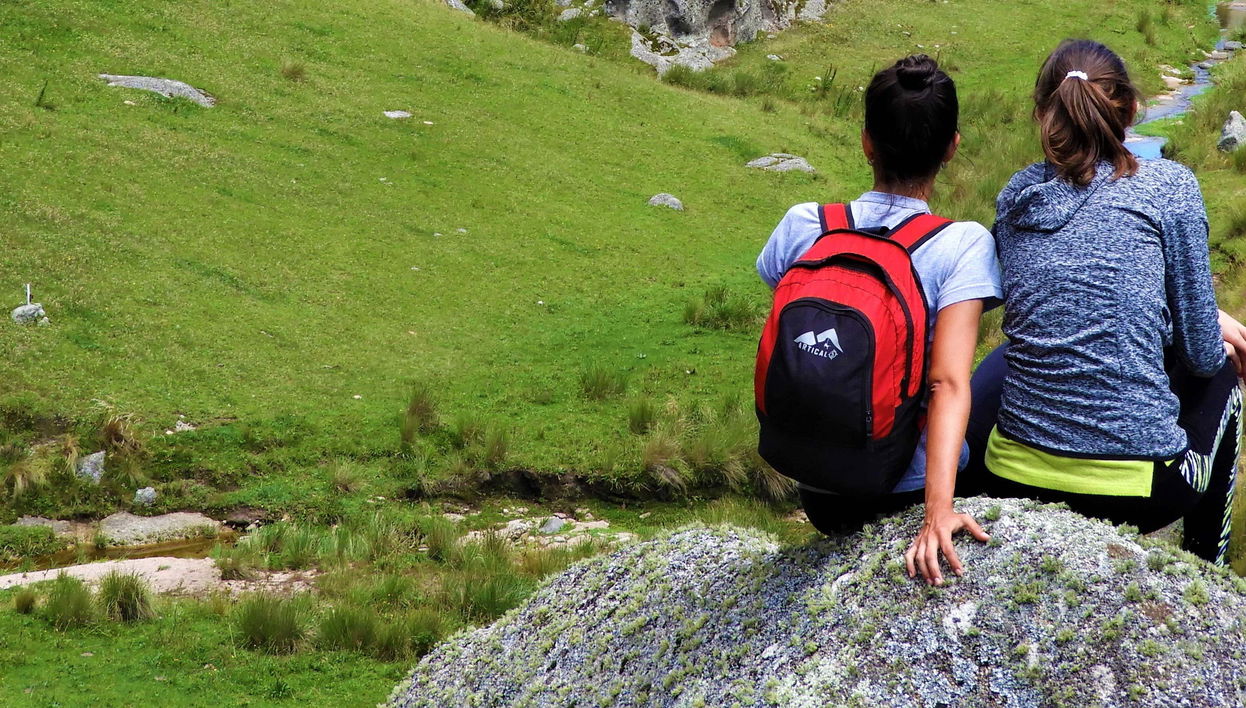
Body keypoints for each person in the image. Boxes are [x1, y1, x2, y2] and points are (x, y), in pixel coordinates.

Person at [964, 39, 1246, 574]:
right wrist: (1209, 322)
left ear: (1042, 114)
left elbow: (1076, 296)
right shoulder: (1170, 185)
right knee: (1224, 378)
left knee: (1006, 356)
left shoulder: (1017, 193)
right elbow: (1201, 353)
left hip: (1011, 474)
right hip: (1138, 491)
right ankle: (1207, 575)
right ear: (1133, 111)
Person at [755, 55, 1001, 585]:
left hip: (816, 486)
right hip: (900, 494)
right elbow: (948, 382)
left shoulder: (804, 225)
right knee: (1002, 388)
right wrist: (937, 512)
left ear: (867, 142)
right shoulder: (962, 245)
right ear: (952, 148)